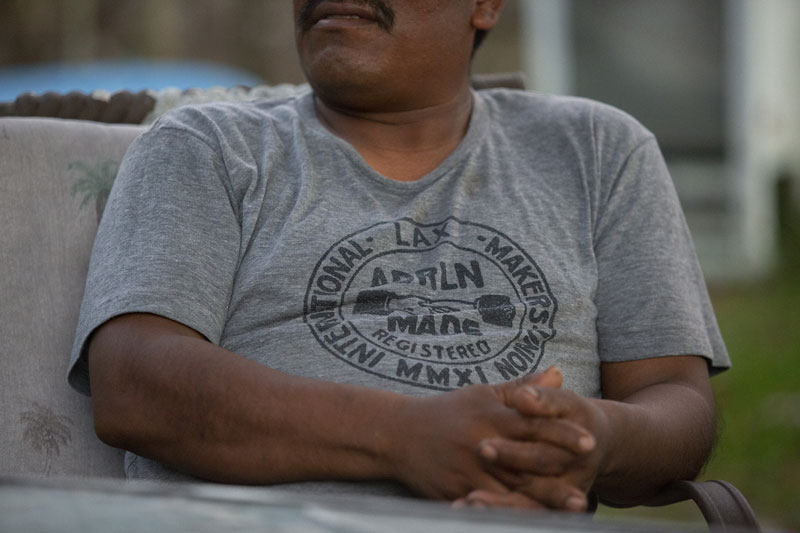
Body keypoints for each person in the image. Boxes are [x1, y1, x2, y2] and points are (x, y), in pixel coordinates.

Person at [68, 0, 730, 511]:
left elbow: (675, 399)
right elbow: (133, 381)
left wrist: (588, 440)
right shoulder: (205, 148)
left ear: (486, 4)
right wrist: (407, 438)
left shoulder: (597, 151)